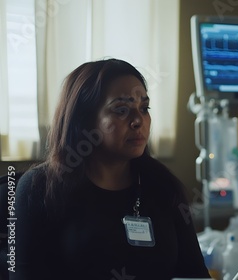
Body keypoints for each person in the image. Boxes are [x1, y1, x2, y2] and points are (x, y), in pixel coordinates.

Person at [12, 59, 210, 280]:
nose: (138, 121)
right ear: (84, 120)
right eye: (121, 110)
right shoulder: (39, 187)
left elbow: (195, 275)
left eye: (144, 108)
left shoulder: (164, 187)